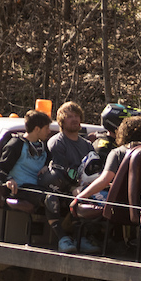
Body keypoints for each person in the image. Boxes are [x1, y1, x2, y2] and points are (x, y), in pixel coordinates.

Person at [70, 115, 141, 253]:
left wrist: (79, 197)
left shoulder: (117, 153)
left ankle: (82, 237)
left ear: (122, 132)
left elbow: (104, 180)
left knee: (77, 190)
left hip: (118, 206)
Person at [45, 101, 93, 252]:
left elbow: (93, 170)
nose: (75, 119)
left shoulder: (87, 145)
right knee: (52, 198)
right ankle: (63, 239)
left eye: (77, 116)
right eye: (70, 116)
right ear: (61, 121)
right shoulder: (57, 142)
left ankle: (81, 239)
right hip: (59, 187)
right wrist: (75, 188)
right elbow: (61, 171)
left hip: (82, 186)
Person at [0, 109, 54, 211]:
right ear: (37, 129)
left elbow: (51, 160)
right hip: (21, 189)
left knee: (60, 197)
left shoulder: (44, 145)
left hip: (39, 187)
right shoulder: (16, 144)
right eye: (46, 128)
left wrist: (47, 166)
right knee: (51, 199)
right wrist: (8, 180)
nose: (49, 131)